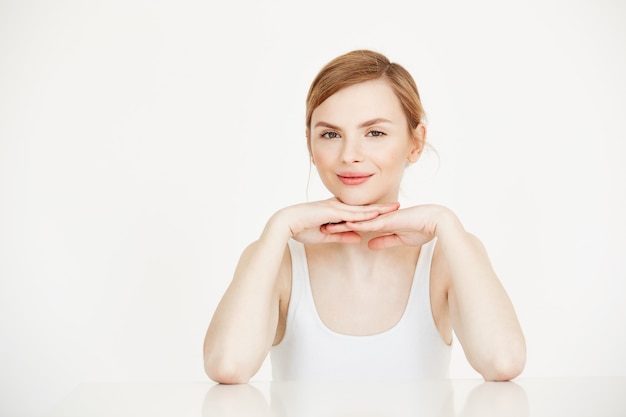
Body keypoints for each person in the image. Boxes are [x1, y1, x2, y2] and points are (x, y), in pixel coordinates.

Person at [203, 50, 526, 383]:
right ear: (311, 147)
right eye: (330, 134)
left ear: (415, 144)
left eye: (375, 133)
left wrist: (445, 222)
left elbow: (502, 361)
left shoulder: (448, 254)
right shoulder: (277, 257)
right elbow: (228, 365)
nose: (349, 155)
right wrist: (278, 227)